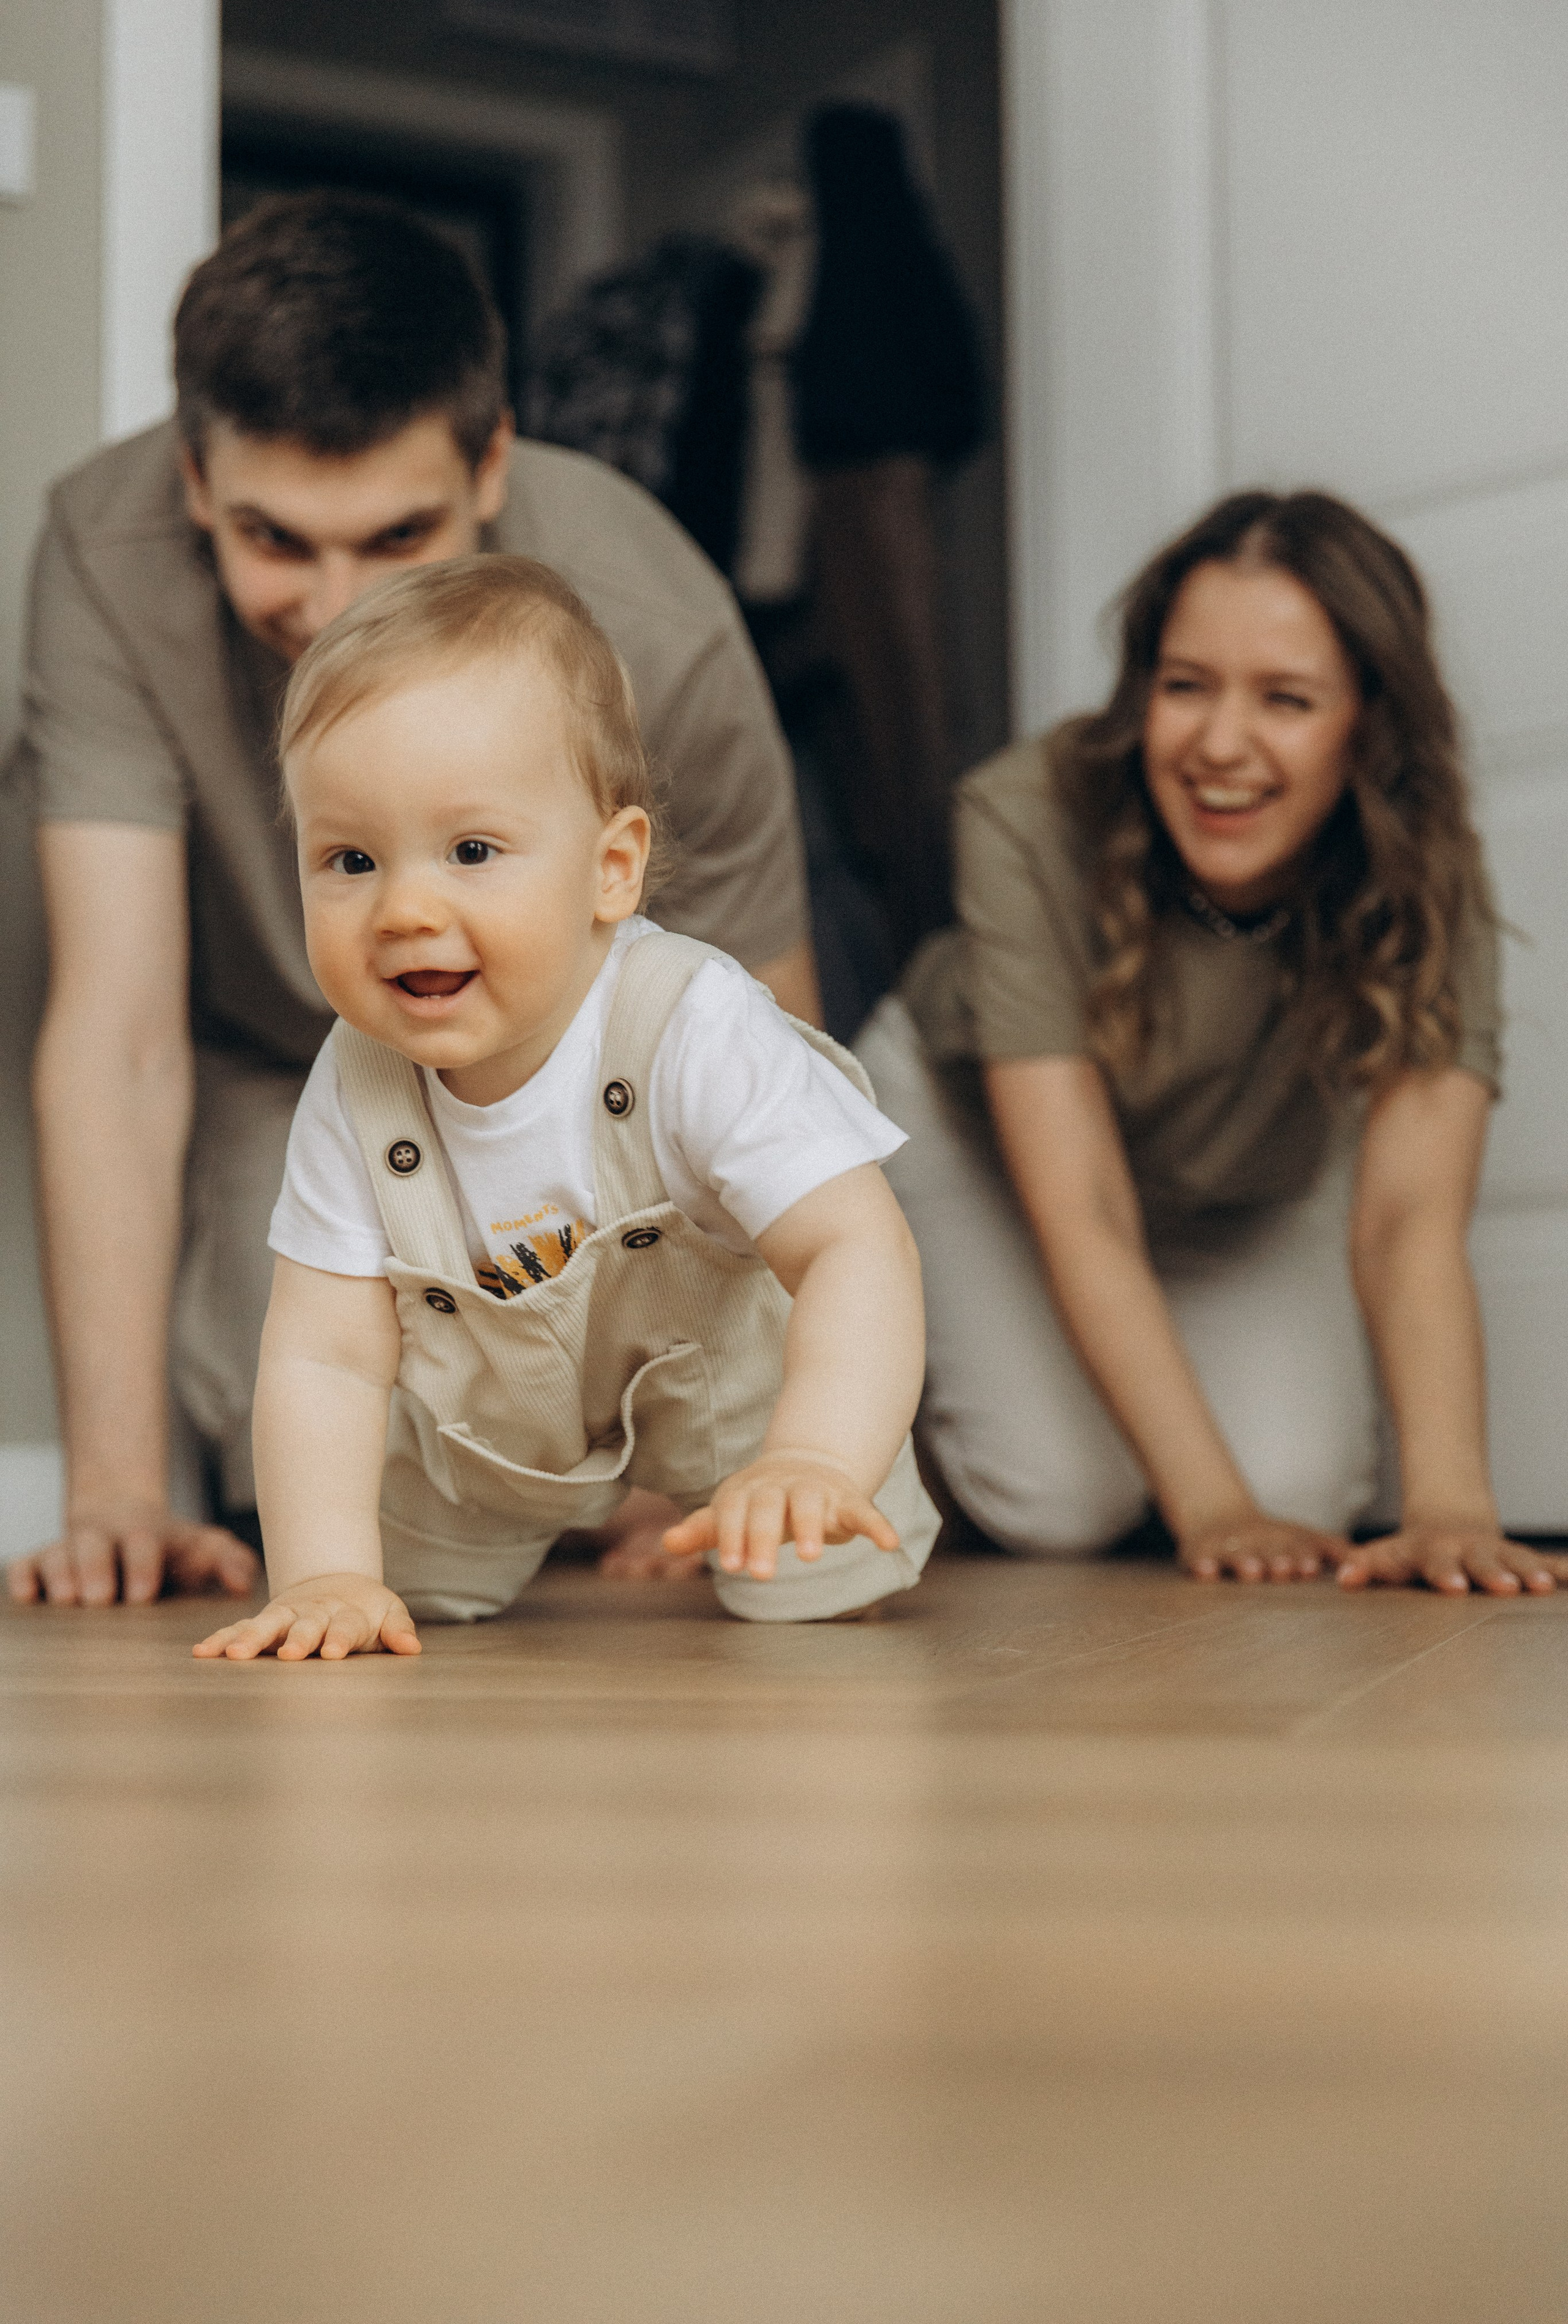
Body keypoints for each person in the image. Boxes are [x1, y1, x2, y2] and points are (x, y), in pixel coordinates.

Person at [8, 192, 822, 1612]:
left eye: (397, 537)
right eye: (276, 540)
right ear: (194, 481)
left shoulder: (657, 618)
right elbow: (119, 1031)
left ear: (490, 463)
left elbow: (766, 1031)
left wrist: (697, 1450)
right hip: (298, 1061)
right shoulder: (101, 550)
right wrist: (116, 1497)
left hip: (602, 1090)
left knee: (626, 1454)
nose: (335, 606)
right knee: (308, 1424)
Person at [192, 556, 937, 1659]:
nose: (404, 909)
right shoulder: (359, 1087)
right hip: (481, 1433)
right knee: (381, 1586)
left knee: (823, 1578)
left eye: (471, 851)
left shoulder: (694, 1024)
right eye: (350, 859)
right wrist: (324, 1572)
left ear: (612, 869)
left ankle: (793, 1486)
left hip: (731, 1390)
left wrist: (819, 1454)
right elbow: (326, 1357)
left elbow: (854, 1247)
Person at [858, 489, 1561, 1598]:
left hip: (1232, 1173)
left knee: (1302, 1494)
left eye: (1287, 699)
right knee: (1062, 1503)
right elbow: (1085, 1205)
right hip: (986, 1141)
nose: (1220, 745)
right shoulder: (1024, 814)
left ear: (1370, 724)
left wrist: (1450, 1511)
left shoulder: (1424, 866)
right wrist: (1212, 1508)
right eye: (1186, 686)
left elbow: (1407, 1220)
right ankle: (872, 1407)